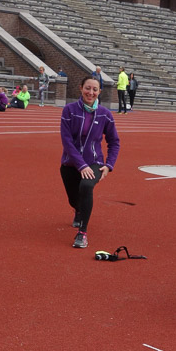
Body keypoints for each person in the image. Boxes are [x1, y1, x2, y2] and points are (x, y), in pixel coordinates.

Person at [59, 75, 120, 249]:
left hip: (94, 162)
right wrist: (80, 165)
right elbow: (67, 141)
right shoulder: (69, 110)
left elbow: (114, 141)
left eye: (95, 89)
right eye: (88, 88)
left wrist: (109, 165)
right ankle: (78, 210)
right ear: (81, 88)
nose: (90, 92)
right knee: (73, 199)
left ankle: (82, 233)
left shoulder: (105, 115)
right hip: (70, 163)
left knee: (86, 187)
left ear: (100, 92)